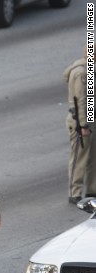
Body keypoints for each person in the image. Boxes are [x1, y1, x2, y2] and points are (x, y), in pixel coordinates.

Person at [64, 57, 96, 203]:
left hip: (91, 120)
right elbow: (81, 101)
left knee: (92, 157)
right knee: (79, 157)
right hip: (81, 121)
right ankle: (74, 192)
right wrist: (83, 125)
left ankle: (92, 189)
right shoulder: (82, 73)